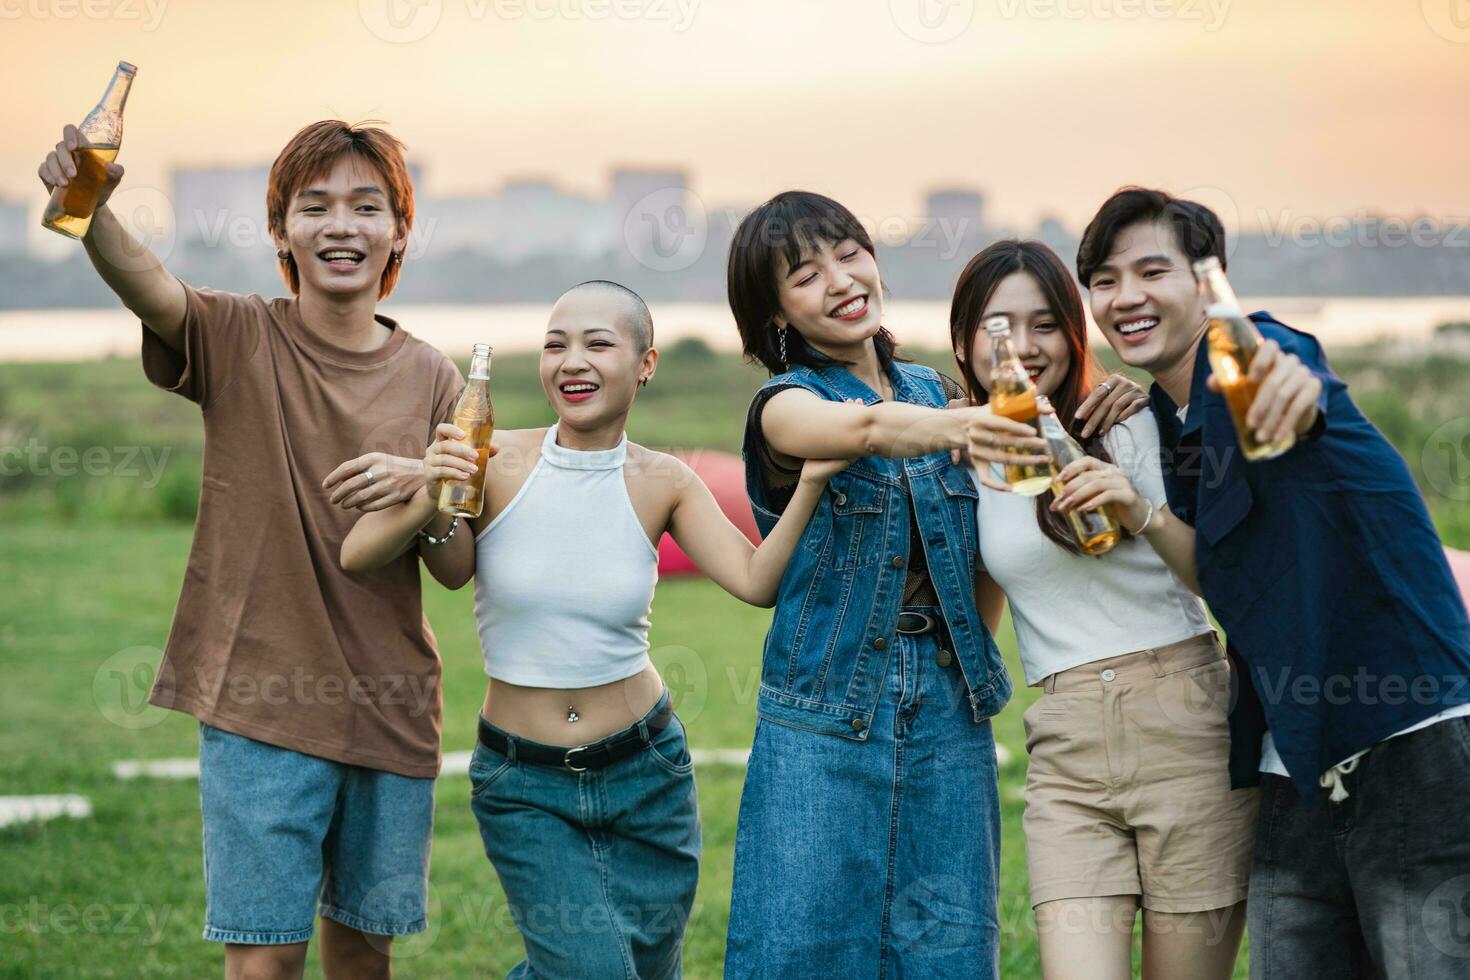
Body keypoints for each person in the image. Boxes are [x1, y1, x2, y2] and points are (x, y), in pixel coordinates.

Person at [37, 121, 462, 979]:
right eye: (315, 207)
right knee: (263, 964)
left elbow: (454, 567)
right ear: (281, 232)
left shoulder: (436, 378)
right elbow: (150, 287)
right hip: (260, 705)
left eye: (366, 207)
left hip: (390, 706)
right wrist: (90, 208)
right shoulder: (238, 337)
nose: (341, 225)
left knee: (363, 960)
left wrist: (426, 486)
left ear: (399, 233)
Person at [341, 280, 845, 979]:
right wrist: (431, 488)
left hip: (648, 775)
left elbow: (757, 581)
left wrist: (814, 480)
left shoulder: (663, 481)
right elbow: (403, 562)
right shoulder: (489, 455)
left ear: (646, 363)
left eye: (597, 344)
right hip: (525, 783)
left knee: (641, 970)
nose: (571, 361)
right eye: (556, 345)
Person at [720, 191, 1145, 978]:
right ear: (776, 314)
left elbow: (991, 541)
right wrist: (970, 424)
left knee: (947, 951)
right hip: (826, 710)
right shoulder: (785, 407)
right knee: (803, 949)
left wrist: (1112, 393)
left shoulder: (937, 391)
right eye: (806, 275)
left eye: (850, 255)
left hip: (950, 711)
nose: (841, 280)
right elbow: (867, 431)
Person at [1077, 186, 1470, 979]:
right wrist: (1140, 494)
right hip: (1289, 766)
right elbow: (1216, 574)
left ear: (1206, 278)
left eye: (1152, 271)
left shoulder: (1261, 357)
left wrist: (1289, 382)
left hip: (1412, 744)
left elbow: (1288, 381)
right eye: (1105, 281)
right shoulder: (1165, 426)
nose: (1127, 298)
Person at [950, 239, 1257, 980]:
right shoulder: (965, 448)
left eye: (1044, 323)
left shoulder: (1139, 421)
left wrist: (1140, 505)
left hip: (1185, 727)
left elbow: (1231, 580)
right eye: (998, 327)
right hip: (1065, 747)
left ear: (1074, 329)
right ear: (965, 340)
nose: (1022, 346)